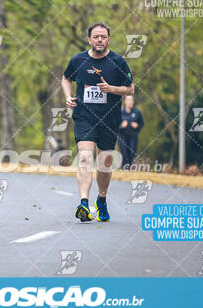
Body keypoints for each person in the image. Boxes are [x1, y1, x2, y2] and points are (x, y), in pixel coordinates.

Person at [61, 22, 134, 222]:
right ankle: (83, 204)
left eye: (103, 37)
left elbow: (130, 89)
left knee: (104, 162)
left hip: (109, 118)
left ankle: (101, 199)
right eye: (96, 37)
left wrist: (112, 89)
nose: (100, 40)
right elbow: (66, 79)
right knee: (85, 157)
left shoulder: (118, 62)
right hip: (84, 116)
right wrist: (68, 97)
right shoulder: (78, 60)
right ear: (89, 39)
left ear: (108, 39)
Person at [118, 95, 144, 169]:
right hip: (122, 136)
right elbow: (114, 125)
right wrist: (121, 126)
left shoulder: (137, 112)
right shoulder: (120, 112)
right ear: (125, 101)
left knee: (132, 153)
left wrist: (137, 126)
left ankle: (129, 168)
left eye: (131, 100)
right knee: (124, 153)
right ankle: (124, 169)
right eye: (128, 100)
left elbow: (142, 123)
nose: (130, 102)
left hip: (133, 136)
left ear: (133, 101)